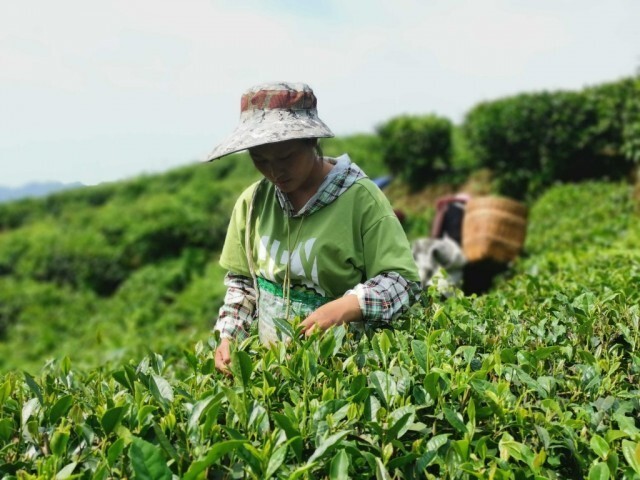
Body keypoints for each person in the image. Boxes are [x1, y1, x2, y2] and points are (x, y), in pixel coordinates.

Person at [207, 82, 420, 375]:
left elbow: (402, 282)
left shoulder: (361, 199)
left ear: (312, 142)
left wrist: (347, 306)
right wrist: (229, 336)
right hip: (274, 372)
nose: (275, 171)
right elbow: (242, 284)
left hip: (345, 373)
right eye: (260, 160)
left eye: (286, 158)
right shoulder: (253, 202)